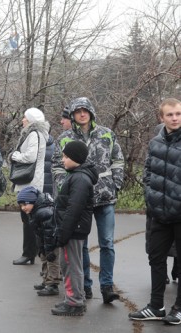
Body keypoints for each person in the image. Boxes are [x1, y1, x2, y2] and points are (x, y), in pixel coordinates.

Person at [52, 97, 124, 303]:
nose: (82, 114)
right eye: (78, 111)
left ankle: (107, 286)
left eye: (85, 110)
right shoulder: (65, 138)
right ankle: (84, 285)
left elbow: (118, 160)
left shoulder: (106, 134)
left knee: (107, 243)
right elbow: (57, 165)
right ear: (73, 114)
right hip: (79, 200)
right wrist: (63, 188)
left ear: (91, 112)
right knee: (80, 245)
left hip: (104, 197)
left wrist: (115, 184)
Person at [129, 98, 181, 325]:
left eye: (178, 114)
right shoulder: (154, 143)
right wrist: (151, 196)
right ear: (162, 118)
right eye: (170, 115)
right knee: (156, 258)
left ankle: (178, 309)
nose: (175, 118)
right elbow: (148, 172)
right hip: (158, 213)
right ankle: (156, 306)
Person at [51, 140, 98, 316]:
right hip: (73, 229)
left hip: (72, 230)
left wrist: (63, 233)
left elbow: (74, 208)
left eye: (66, 156)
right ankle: (75, 299)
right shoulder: (77, 175)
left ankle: (74, 303)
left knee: (70, 265)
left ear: (75, 158)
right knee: (72, 264)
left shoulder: (79, 178)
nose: (63, 160)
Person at [11, 108, 49, 265]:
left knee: (28, 220)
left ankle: (29, 254)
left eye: (25, 117)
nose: (22, 120)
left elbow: (30, 156)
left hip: (29, 183)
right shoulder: (37, 134)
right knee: (29, 219)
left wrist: (15, 155)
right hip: (32, 182)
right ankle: (32, 252)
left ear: (31, 120)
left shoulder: (34, 134)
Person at [17, 186, 60, 297]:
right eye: (21, 205)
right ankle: (46, 281)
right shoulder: (35, 210)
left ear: (32, 201)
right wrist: (41, 247)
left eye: (24, 204)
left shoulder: (44, 212)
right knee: (44, 259)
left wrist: (49, 249)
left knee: (52, 261)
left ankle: (53, 284)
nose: (23, 208)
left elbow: (50, 232)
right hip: (45, 241)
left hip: (52, 242)